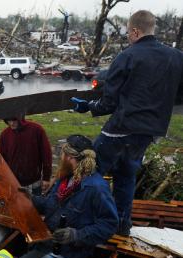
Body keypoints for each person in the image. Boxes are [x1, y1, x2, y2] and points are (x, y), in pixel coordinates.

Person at [72, 10, 183, 236]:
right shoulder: (176, 56)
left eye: (127, 33)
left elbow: (108, 103)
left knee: (90, 172)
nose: (127, 37)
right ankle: (122, 226)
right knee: (126, 175)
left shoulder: (128, 56)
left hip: (120, 130)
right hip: (150, 131)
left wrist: (87, 106)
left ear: (135, 31)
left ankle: (82, 223)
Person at [17, 135, 118, 258]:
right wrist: (31, 199)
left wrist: (76, 235)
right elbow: (50, 206)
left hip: (68, 250)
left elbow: (109, 225)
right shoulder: (66, 179)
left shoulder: (97, 188)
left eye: (63, 154)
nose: (61, 157)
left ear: (70, 157)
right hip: (47, 239)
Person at [0, 114, 52, 195]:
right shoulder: (5, 135)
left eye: (14, 120)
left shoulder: (36, 130)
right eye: (9, 121)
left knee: (35, 206)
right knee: (17, 207)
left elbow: (46, 154)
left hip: (34, 181)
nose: (12, 123)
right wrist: (3, 178)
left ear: (20, 118)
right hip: (14, 182)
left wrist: (46, 177)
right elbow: (1, 159)